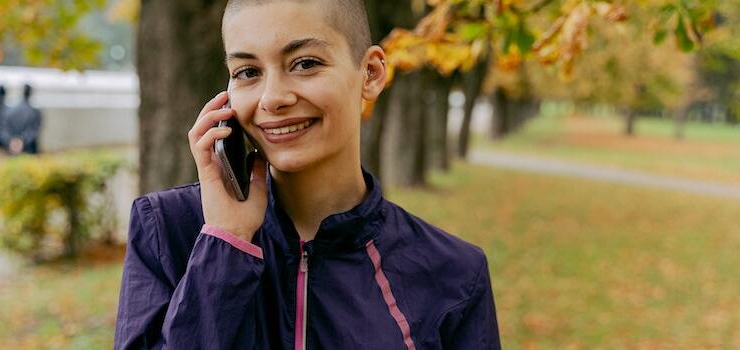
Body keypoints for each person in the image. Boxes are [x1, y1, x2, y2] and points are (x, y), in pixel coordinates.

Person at [114, 1, 500, 349]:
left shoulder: (454, 275)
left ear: (370, 73)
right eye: (247, 71)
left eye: (305, 63)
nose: (272, 98)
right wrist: (226, 244)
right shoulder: (166, 229)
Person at [0, 83, 42, 155]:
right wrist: (21, 141)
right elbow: (34, 130)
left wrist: (11, 141)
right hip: (28, 148)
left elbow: (2, 127)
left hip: (11, 147)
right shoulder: (35, 112)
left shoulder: (8, 110)